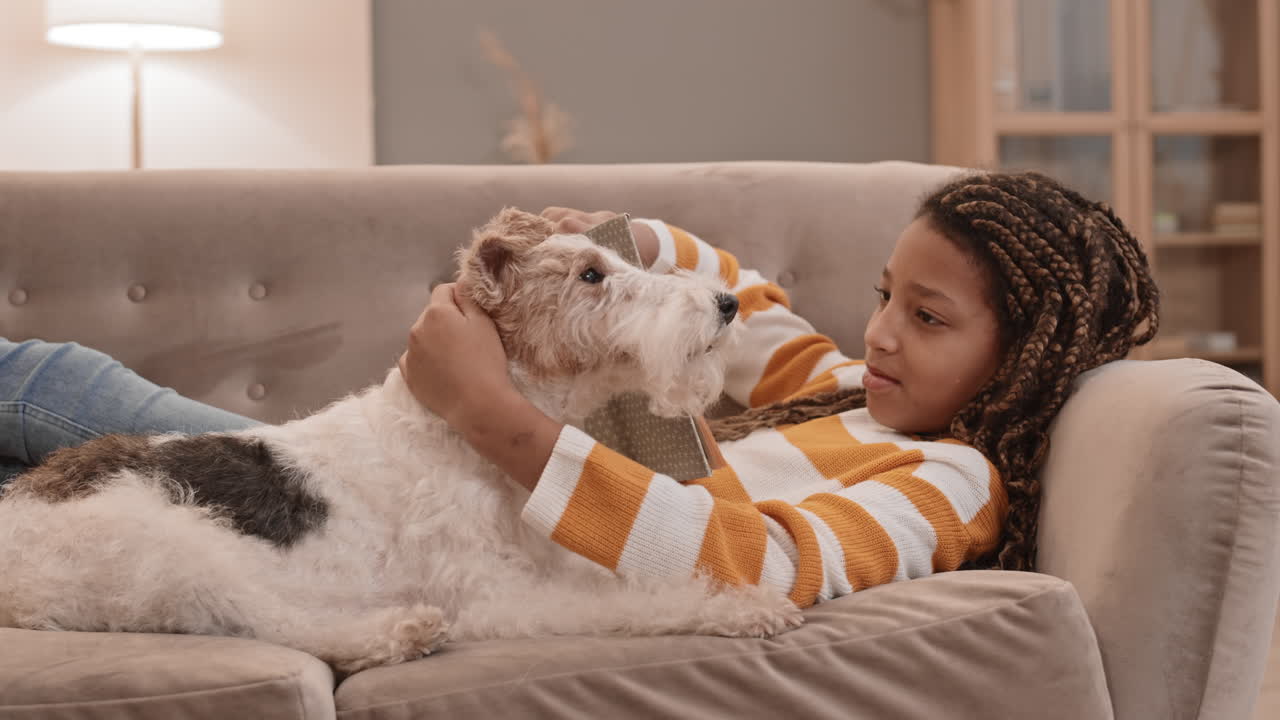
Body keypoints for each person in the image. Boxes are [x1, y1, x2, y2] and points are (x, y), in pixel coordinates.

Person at [396, 171, 1159, 608]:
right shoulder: (850, 391)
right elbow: (746, 303)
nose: (882, 332)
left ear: (1025, 359)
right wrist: (632, 241)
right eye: (884, 295)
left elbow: (759, 565)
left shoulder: (951, 483)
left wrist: (490, 414)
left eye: (926, 316)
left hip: (598, 553)